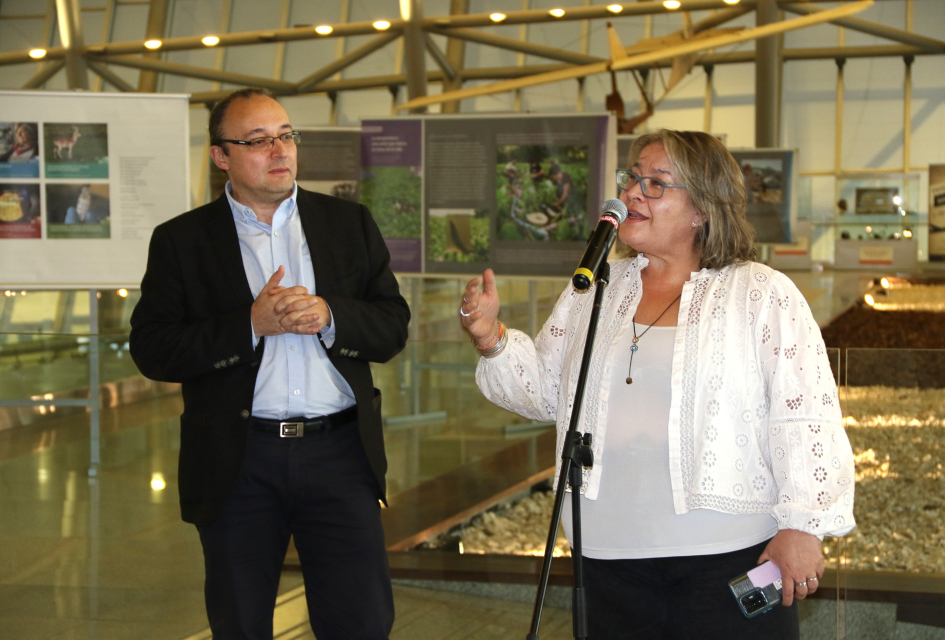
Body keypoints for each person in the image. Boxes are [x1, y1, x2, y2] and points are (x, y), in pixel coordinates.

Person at [458, 130, 855, 639]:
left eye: (656, 183)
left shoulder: (759, 292)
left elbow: (805, 413)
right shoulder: (597, 287)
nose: (632, 194)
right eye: (631, 179)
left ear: (702, 209)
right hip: (607, 557)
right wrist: (490, 337)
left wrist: (802, 525)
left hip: (727, 557)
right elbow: (548, 391)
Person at [129, 88, 410, 640]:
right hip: (239, 462)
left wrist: (331, 315)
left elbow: (392, 326)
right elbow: (153, 347)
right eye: (257, 141)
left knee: (362, 622)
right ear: (220, 157)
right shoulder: (182, 241)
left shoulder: (347, 223)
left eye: (285, 135)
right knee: (241, 623)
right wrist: (249, 325)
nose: (279, 150)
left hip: (340, 456)